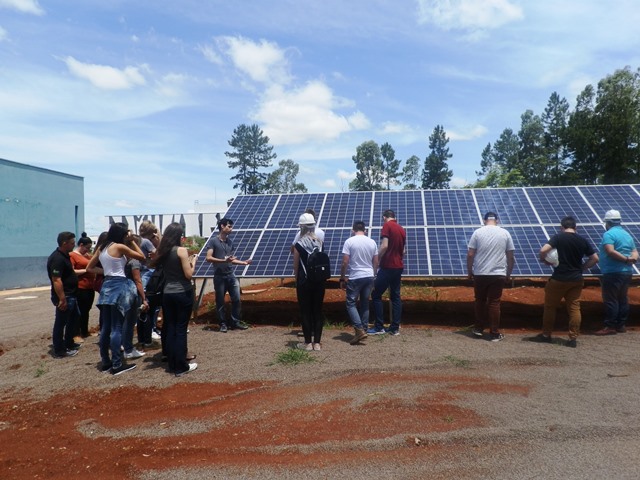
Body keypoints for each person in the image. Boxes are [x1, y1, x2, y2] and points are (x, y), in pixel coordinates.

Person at [87, 223, 146, 375]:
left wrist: (106, 272)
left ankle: (106, 362)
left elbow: (89, 268)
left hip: (106, 285)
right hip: (119, 286)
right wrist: (132, 241)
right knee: (116, 327)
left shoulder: (102, 247)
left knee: (106, 327)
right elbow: (142, 256)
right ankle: (117, 364)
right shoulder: (120, 247)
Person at [535, 216, 599, 348]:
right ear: (576, 227)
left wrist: (544, 260)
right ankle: (573, 338)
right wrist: (582, 267)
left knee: (550, 307)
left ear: (562, 227)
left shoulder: (558, 238)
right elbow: (595, 258)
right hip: (576, 279)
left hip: (559, 278)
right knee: (574, 308)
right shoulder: (582, 240)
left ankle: (546, 335)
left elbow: (543, 250)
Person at [152, 222, 198, 376]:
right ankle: (181, 366)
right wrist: (193, 262)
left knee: (170, 328)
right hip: (182, 292)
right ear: (179, 236)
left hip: (167, 293)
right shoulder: (181, 251)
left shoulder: (162, 252)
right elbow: (188, 275)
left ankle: (172, 363)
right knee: (180, 329)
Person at [467, 212, 515, 342]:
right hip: (498, 273)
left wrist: (469, 271)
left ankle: (478, 329)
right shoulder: (505, 233)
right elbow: (510, 256)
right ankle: (494, 333)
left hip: (480, 273)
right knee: (494, 303)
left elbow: (470, 254)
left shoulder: (477, 233)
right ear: (497, 220)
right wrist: (508, 273)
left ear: (484, 220)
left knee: (480, 301)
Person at [205, 217, 252, 333]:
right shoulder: (213, 241)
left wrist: (243, 262)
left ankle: (235, 322)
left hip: (231, 275)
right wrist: (223, 261)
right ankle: (222, 324)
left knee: (236, 299)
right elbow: (208, 258)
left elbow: (230, 260)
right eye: (229, 226)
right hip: (219, 276)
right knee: (220, 301)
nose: (231, 229)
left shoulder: (230, 242)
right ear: (222, 226)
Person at [595, 210, 638, 335]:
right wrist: (632, 259)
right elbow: (635, 251)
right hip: (627, 272)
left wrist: (625, 259)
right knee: (622, 298)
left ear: (607, 222)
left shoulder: (609, 234)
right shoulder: (626, 234)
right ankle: (621, 325)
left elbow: (610, 251)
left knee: (611, 299)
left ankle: (610, 326)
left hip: (613, 272)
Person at [339, 221, 378, 345]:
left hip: (356, 276)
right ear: (365, 230)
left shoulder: (349, 242)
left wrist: (342, 278)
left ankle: (359, 329)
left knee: (351, 303)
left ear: (353, 230)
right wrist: (374, 275)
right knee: (365, 303)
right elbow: (376, 261)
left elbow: (345, 262)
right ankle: (364, 330)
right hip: (369, 275)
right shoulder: (372, 242)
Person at [369, 209, 406, 336]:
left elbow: (384, 245)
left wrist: (377, 258)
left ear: (384, 217)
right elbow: (404, 251)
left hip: (387, 266)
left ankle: (379, 326)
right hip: (398, 267)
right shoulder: (401, 229)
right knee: (395, 297)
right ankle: (394, 328)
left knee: (376, 294)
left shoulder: (387, 226)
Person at [293, 213, 326, 351]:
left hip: (304, 282)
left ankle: (307, 343)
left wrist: (296, 279)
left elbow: (296, 265)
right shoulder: (320, 242)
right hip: (319, 282)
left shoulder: (299, 244)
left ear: (302, 227)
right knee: (317, 311)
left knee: (305, 311)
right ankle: (317, 343)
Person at [47, 231, 81, 358]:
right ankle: (60, 350)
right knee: (61, 323)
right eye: (72, 243)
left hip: (71, 294)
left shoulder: (65, 256)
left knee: (74, 318)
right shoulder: (57, 258)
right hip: (65, 296)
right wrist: (62, 298)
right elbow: (56, 280)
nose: (74, 245)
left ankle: (69, 343)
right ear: (64, 243)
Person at [122, 235, 147, 360]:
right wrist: (144, 298)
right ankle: (128, 348)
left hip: (121, 291)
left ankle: (122, 345)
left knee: (122, 322)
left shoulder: (122, 259)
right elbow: (138, 280)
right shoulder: (134, 261)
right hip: (132, 293)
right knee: (130, 322)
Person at [69, 234, 95, 340]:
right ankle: (76, 333)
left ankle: (84, 331)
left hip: (89, 287)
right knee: (79, 311)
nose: (87, 250)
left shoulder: (87, 256)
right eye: (86, 248)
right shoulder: (73, 256)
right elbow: (72, 271)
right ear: (81, 245)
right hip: (80, 287)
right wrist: (86, 270)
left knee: (86, 310)